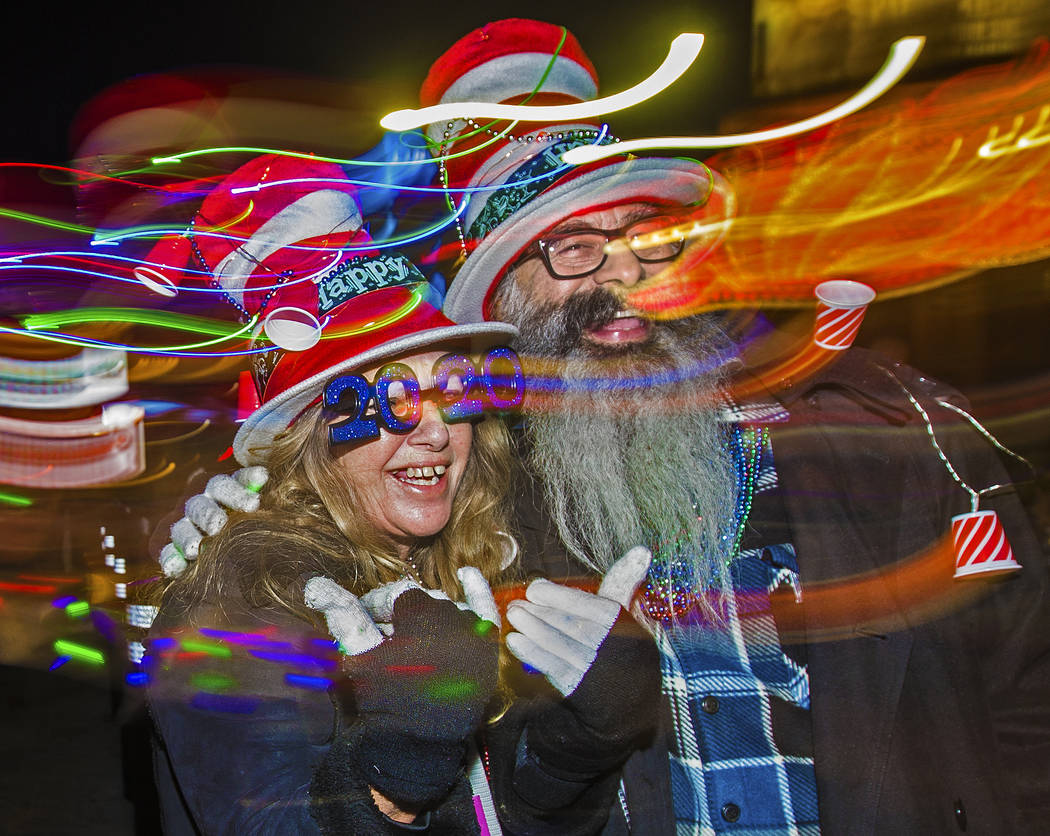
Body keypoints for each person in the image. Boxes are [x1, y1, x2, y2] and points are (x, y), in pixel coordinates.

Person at [415, 19, 1050, 836]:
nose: (624, 271)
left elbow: (1028, 686)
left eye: (645, 237)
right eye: (573, 248)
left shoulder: (882, 427)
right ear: (504, 299)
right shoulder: (468, 503)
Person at [143, 153, 532, 833]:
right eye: (386, 400)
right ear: (307, 435)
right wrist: (392, 778)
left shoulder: (467, 552)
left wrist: (574, 753)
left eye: (453, 391)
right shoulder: (245, 592)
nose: (436, 435)